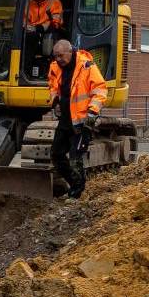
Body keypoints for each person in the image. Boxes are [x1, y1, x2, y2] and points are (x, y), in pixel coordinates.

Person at [45, 38, 108, 199]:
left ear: (70, 52)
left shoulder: (86, 66)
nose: (58, 59)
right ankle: (74, 185)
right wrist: (55, 102)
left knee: (75, 157)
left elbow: (100, 89)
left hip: (82, 122)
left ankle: (77, 194)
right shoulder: (55, 67)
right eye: (55, 56)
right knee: (56, 154)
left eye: (60, 56)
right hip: (65, 120)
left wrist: (92, 112)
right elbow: (53, 86)